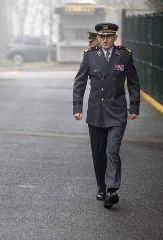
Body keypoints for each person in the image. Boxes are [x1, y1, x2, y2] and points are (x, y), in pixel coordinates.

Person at [73, 23, 140, 209]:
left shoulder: (124, 55)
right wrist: (77, 107)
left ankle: (112, 189)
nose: (104, 40)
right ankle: (101, 187)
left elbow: (134, 82)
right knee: (98, 154)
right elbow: (79, 83)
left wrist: (134, 106)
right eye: (101, 36)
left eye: (108, 36)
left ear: (114, 38)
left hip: (117, 112)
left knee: (112, 150)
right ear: (98, 37)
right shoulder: (89, 56)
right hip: (96, 112)